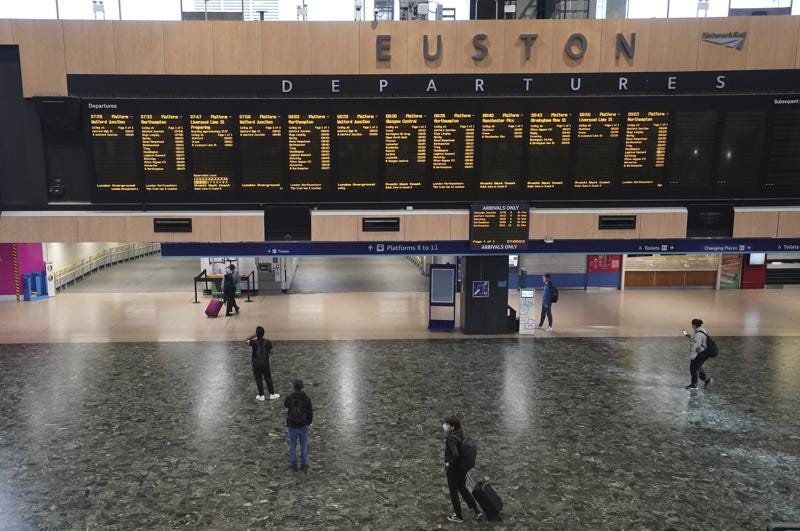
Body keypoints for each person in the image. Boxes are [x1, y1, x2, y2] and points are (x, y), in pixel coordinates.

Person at [442, 416, 483, 523]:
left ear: (452, 427)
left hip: (454, 470)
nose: (445, 426)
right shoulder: (460, 433)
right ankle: (477, 511)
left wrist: (448, 463)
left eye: (447, 424)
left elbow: (455, 454)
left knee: (453, 493)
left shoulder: (451, 438)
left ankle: (458, 516)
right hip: (462, 469)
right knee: (463, 489)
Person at [285, 379, 313, 472]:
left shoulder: (289, 397)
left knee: (292, 444)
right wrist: (308, 422)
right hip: (303, 424)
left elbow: (285, 405)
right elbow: (310, 412)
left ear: (294, 387)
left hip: (292, 424)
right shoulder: (307, 398)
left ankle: (294, 464)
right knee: (303, 444)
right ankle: (304, 464)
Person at [245, 326, 279, 401]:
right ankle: (272, 394)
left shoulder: (253, 342)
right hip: (265, 363)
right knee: (268, 378)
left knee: (258, 379)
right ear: (264, 333)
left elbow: (246, 340)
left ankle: (261, 395)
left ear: (257, 334)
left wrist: (253, 336)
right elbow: (271, 351)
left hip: (256, 364)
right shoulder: (268, 342)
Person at [683, 318, 713, 390]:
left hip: (699, 354)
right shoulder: (701, 331)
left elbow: (696, 346)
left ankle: (694, 385)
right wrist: (690, 336)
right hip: (704, 353)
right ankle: (706, 380)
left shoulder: (698, 334)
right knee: (698, 367)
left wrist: (692, 355)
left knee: (693, 368)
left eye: (692, 324)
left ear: (694, 325)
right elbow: (698, 341)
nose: (692, 326)